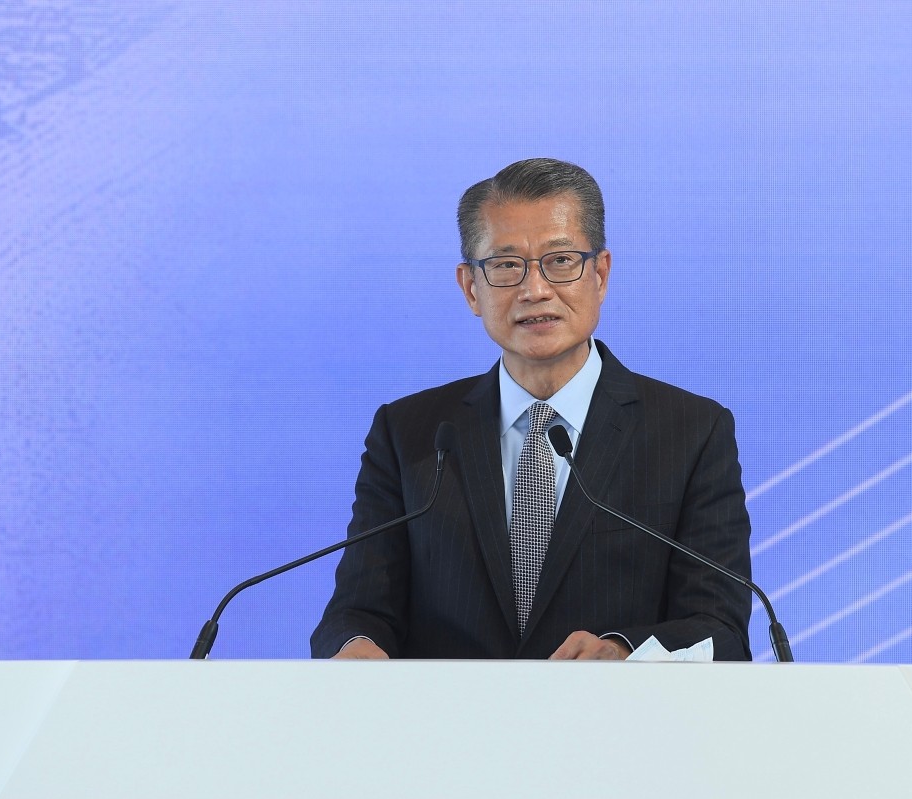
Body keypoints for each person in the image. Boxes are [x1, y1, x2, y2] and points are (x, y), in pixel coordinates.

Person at [310, 158, 752, 661]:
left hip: (611, 710)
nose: (535, 289)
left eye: (561, 261)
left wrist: (624, 652)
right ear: (470, 288)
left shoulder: (691, 432)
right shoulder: (410, 433)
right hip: (449, 713)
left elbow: (719, 628)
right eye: (506, 266)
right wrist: (356, 646)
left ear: (600, 274)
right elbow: (356, 611)